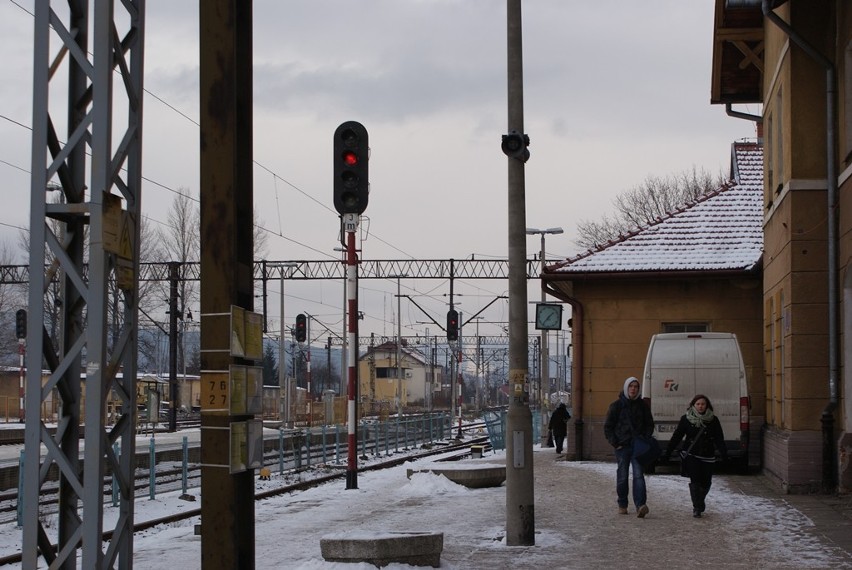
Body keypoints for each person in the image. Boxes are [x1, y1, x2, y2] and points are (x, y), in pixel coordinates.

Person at [662, 394, 728, 518]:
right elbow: (677, 436)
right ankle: (696, 507)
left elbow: (719, 438)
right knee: (695, 481)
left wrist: (724, 453)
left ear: (707, 405)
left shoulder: (713, 420)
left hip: (707, 455)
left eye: (703, 404)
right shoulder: (686, 419)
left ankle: (700, 499)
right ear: (693, 405)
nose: (700, 406)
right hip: (691, 454)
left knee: (706, 482)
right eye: (698, 404)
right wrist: (668, 452)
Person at [604, 376, 655, 518]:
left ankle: (640, 505)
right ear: (626, 388)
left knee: (639, 475)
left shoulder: (642, 406)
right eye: (631, 386)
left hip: (638, 446)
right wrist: (615, 443)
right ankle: (622, 503)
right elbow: (608, 427)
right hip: (622, 446)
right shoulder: (616, 406)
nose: (633, 389)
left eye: (636, 386)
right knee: (622, 476)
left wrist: (645, 438)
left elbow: (649, 424)